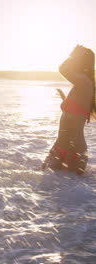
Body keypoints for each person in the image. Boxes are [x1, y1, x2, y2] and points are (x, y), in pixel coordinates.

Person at [42, 45, 95, 175]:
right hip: (65, 146)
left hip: (74, 151)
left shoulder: (84, 81)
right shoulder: (84, 81)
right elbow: (75, 109)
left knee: (67, 182)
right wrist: (65, 99)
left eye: (77, 59)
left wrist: (74, 55)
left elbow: (63, 68)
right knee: (55, 178)